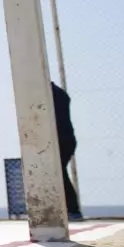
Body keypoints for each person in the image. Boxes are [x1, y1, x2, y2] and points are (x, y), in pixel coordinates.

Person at [51, 82, 83, 221]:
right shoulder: (57, 92)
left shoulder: (50, 94)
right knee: (58, 173)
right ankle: (70, 209)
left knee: (58, 172)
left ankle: (72, 209)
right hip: (63, 139)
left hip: (61, 139)